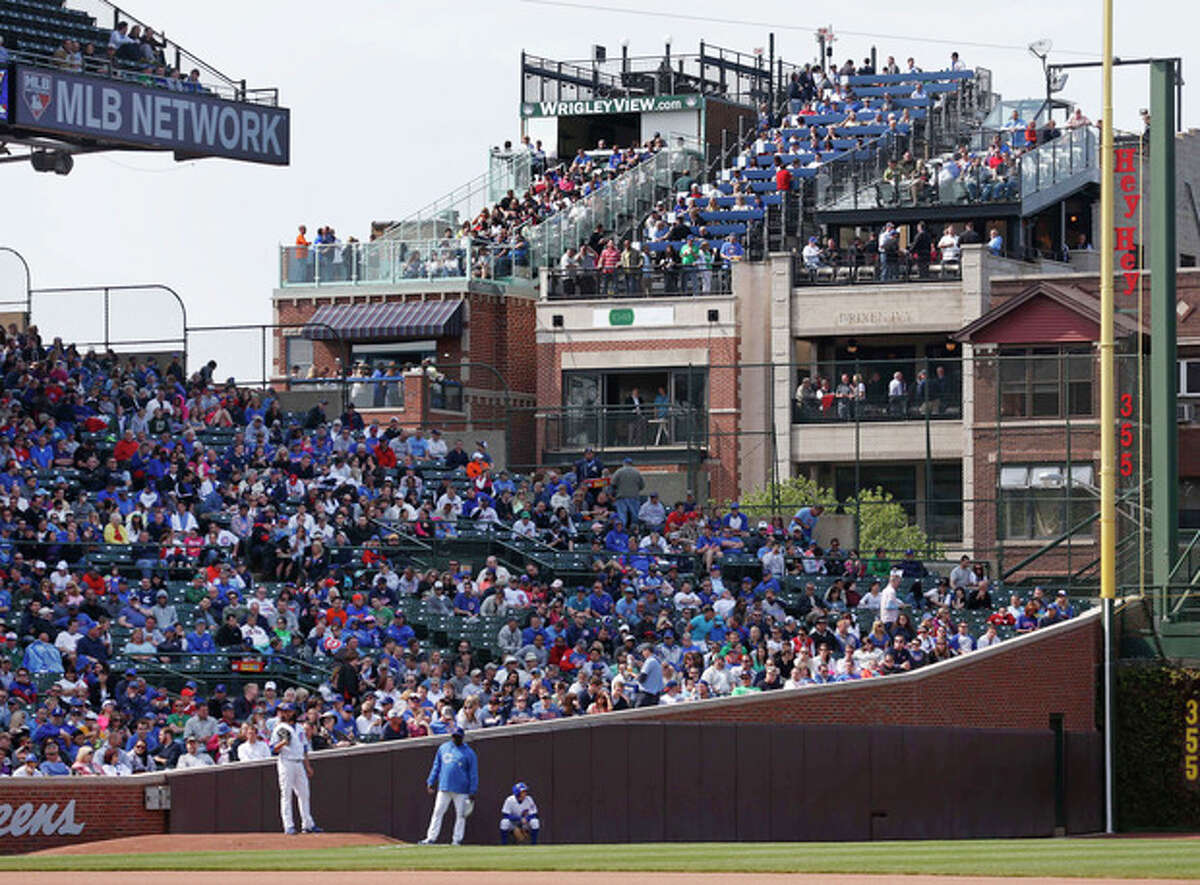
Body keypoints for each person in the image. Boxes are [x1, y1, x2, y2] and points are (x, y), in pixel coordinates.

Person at [420, 725, 478, 845]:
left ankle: (457, 839)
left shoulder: (469, 753)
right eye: (454, 736)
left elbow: (473, 773)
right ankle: (431, 837)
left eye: (458, 737)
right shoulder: (443, 748)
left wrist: (472, 790)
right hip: (444, 787)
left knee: (461, 815)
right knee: (437, 812)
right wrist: (431, 781)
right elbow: (437, 766)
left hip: (461, 789)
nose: (456, 739)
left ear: (462, 737)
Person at [271, 702, 321, 835]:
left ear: (293, 712)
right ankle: (288, 825)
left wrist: (308, 766)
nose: (285, 713)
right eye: (283, 711)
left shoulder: (299, 727)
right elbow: (273, 750)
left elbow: (304, 748)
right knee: (286, 795)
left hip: (299, 763)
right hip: (286, 762)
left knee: (304, 794)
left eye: (287, 711)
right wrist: (282, 743)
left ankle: (308, 824)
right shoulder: (279, 728)